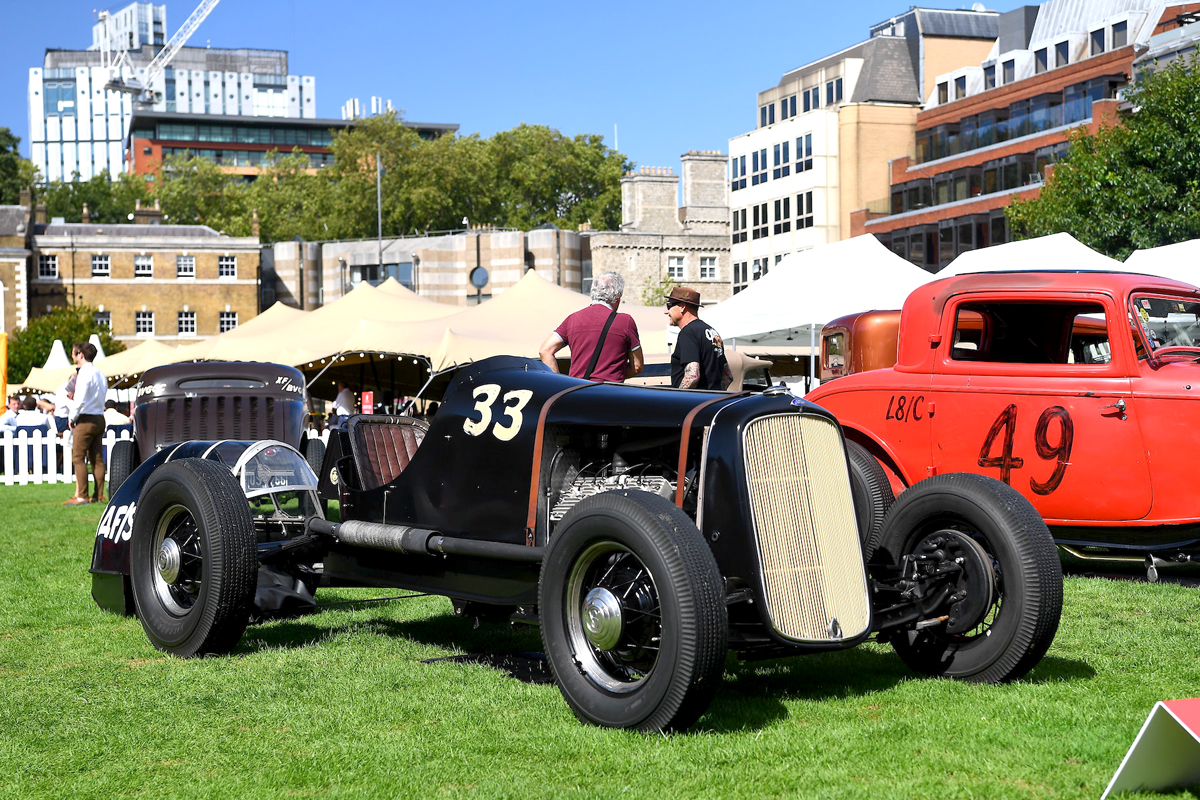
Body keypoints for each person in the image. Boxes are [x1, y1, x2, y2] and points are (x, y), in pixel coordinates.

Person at [539, 272, 644, 382]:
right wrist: (616, 374)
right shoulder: (625, 321)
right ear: (617, 296)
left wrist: (560, 383)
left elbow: (545, 350)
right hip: (612, 393)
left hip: (578, 392)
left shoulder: (573, 319)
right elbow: (637, 366)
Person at [64, 342, 107, 506]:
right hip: (99, 417)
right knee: (97, 458)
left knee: (78, 457)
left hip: (86, 418)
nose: (73, 357)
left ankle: (82, 496)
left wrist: (72, 418)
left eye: (74, 354)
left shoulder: (84, 373)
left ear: (80, 354)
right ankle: (98, 495)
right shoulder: (100, 374)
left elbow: (80, 399)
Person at [666, 286, 732, 391]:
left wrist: (677, 398)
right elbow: (728, 376)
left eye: (669, 305)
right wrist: (716, 395)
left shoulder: (688, 333)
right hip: (714, 403)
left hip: (694, 403)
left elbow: (692, 376)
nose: (666, 311)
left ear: (682, 307)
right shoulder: (712, 332)